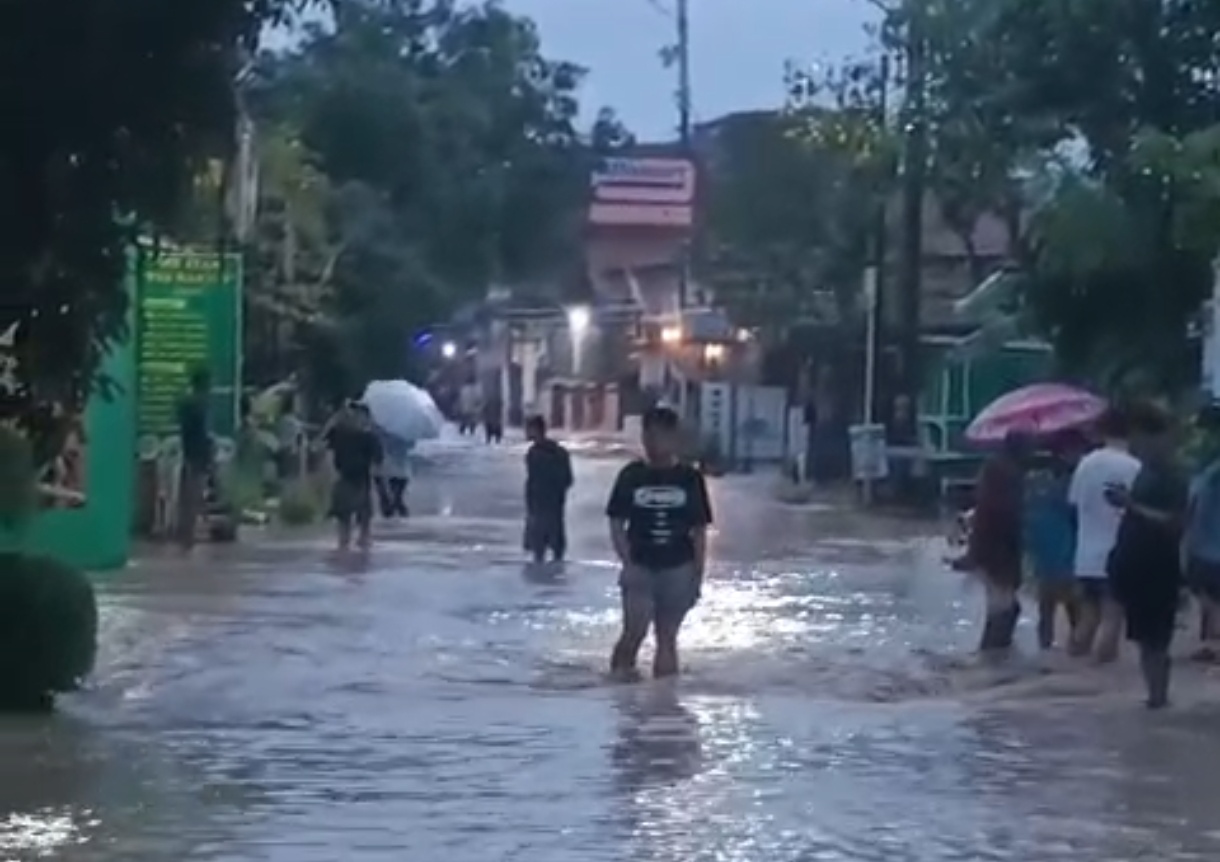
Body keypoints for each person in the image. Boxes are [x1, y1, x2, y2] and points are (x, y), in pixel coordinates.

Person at [606, 406, 713, 679]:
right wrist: (626, 560)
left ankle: (664, 707)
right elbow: (616, 521)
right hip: (640, 564)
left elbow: (699, 530)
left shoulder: (690, 479)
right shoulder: (631, 475)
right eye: (648, 435)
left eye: (660, 435)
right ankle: (618, 689)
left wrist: (697, 575)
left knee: (667, 637)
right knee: (635, 629)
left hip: (678, 566)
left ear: (674, 438)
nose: (653, 442)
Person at [1106, 406, 1187, 709]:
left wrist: (1131, 505)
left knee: (1156, 638)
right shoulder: (1145, 472)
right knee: (1143, 638)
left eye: (1142, 438)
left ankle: (1159, 697)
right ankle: (1154, 700)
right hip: (1136, 564)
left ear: (1160, 438)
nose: (1137, 445)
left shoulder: (1173, 476)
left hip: (1159, 565)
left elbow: (1175, 523)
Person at [1068, 407, 1141, 661]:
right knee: (1112, 619)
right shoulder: (1134, 467)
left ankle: (1073, 673)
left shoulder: (1085, 464)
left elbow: (1074, 505)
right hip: (1117, 555)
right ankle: (1099, 675)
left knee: (1088, 618)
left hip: (1085, 556)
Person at [967, 429, 1030, 653]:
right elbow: (1005, 514)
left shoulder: (999, 468)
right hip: (998, 550)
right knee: (1004, 607)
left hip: (993, 549)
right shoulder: (1006, 473)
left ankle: (994, 653)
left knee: (1002, 606)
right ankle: (993, 653)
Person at [1023, 434, 1083, 650]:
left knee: (1056, 610)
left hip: (1053, 552)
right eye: (1073, 452)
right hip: (1060, 552)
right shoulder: (1066, 482)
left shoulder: (1037, 481)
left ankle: (1052, 652)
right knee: (1063, 609)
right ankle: (1072, 655)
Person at [324, 400, 382, 551]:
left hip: (360, 480)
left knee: (362, 521)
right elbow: (323, 449)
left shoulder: (368, 437)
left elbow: (378, 461)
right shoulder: (339, 433)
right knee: (345, 520)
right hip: (346, 479)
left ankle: (358, 547)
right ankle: (348, 548)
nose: (356, 418)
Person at [1184, 427, 1220, 656]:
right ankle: (1211, 643)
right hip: (1207, 549)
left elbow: (1189, 507)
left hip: (1203, 551)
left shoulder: (1204, 476)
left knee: (1210, 600)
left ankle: (1211, 643)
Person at [522, 415, 573, 563]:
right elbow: (568, 479)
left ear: (536, 430)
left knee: (539, 547)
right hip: (554, 502)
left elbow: (532, 480)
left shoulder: (534, 453)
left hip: (540, 503)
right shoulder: (559, 451)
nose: (527, 432)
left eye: (529, 429)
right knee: (556, 542)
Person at [175, 367, 214, 550]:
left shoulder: (186, 403)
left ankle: (185, 535)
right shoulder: (199, 405)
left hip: (188, 453)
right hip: (197, 455)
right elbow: (202, 433)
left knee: (187, 495)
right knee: (194, 495)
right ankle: (188, 537)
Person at [375, 431, 412, 519]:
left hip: (390, 463)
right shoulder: (405, 432)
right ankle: (396, 505)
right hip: (395, 463)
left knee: (390, 486)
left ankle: (393, 505)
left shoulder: (380, 432)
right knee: (395, 485)